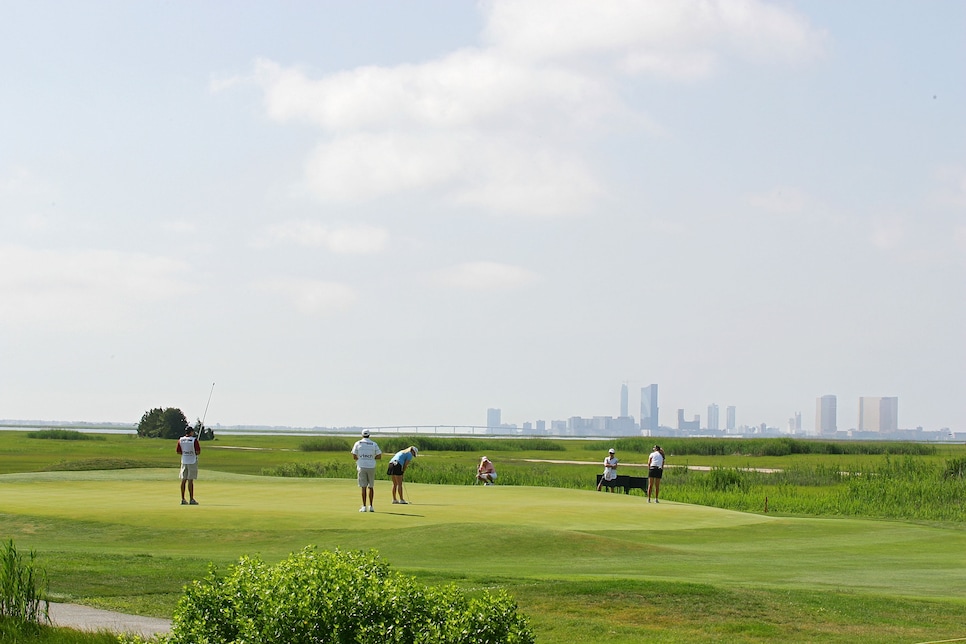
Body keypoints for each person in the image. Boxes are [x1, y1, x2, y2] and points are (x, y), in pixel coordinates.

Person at [351, 429, 382, 512]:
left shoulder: (358, 443)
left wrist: (360, 459)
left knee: (363, 487)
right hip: (371, 466)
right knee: (371, 487)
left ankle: (364, 506)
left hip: (361, 466)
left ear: (362, 435)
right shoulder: (373, 444)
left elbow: (354, 455)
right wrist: (372, 458)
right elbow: (379, 456)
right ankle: (371, 506)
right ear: (369, 435)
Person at [177, 426, 201, 505]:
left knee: (183, 480)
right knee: (190, 480)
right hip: (192, 461)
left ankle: (183, 499)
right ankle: (191, 499)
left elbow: (179, 451)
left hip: (184, 461)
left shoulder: (181, 440)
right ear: (191, 432)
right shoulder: (194, 440)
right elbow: (198, 451)